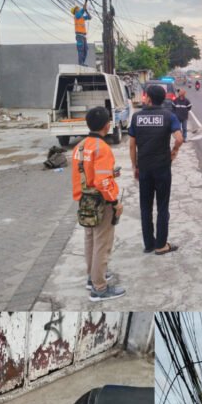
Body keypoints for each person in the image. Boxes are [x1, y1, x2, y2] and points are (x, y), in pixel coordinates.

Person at [71, 106, 125, 302]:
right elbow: (102, 182)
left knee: (90, 240)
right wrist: (114, 202)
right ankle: (100, 288)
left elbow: (86, 174)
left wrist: (111, 174)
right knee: (102, 244)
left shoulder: (80, 146)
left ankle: (92, 277)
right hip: (101, 202)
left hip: (84, 201)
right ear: (107, 125)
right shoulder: (102, 148)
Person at [128, 83, 184, 256]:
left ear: (149, 98)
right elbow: (180, 138)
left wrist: (134, 166)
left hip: (144, 168)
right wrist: (173, 152)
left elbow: (132, 146)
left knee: (145, 207)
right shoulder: (169, 116)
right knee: (162, 206)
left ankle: (149, 244)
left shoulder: (137, 118)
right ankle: (161, 245)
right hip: (162, 168)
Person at [71, 0, 91, 66]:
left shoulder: (81, 17)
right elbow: (83, 10)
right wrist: (86, 1)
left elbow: (89, 17)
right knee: (81, 49)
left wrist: (87, 13)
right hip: (79, 36)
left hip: (83, 36)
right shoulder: (77, 16)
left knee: (85, 50)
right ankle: (80, 63)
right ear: (75, 11)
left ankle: (82, 62)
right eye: (77, 9)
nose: (78, 9)